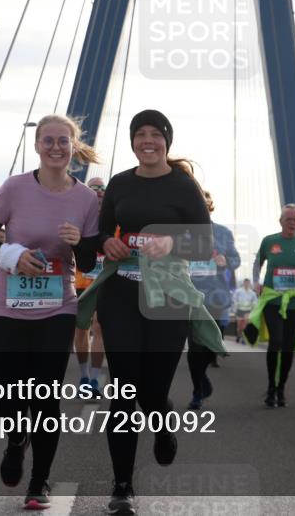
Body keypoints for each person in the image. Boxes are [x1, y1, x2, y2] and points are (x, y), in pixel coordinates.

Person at [75, 109, 219, 516]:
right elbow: (101, 233)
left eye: (156, 134)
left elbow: (205, 244)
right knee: (124, 391)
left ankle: (163, 422)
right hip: (121, 294)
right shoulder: (120, 183)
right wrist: (108, 245)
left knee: (153, 392)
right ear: (133, 141)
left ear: (166, 141)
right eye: (141, 134)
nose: (148, 140)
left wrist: (172, 243)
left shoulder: (182, 185)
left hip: (167, 297)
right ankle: (122, 487)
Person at [0, 114, 101, 509]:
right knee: (10, 395)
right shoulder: (14, 188)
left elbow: (89, 260)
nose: (56, 147)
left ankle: (40, 481)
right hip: (6, 307)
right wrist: (12, 254)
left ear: (73, 146)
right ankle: (15, 442)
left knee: (45, 397)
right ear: (37, 145)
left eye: (63, 141)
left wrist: (79, 241)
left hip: (56, 308)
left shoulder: (86, 199)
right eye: (48, 140)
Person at [245, 203, 295, 408]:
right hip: (272, 299)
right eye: (288, 219)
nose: (292, 223)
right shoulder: (270, 241)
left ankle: (281, 388)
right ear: (281, 221)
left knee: (288, 347)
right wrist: (256, 282)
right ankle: (270, 387)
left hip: (294, 301)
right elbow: (257, 263)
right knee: (275, 341)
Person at [186, 189, 240, 410]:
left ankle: (202, 377)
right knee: (195, 346)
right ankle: (198, 389)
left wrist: (224, 260)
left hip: (217, 297)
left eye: (204, 202)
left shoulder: (223, 233)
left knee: (212, 344)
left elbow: (235, 260)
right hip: (191, 296)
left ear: (209, 206)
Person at [74, 177, 107, 397]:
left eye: (101, 188)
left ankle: (94, 380)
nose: (97, 191)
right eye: (92, 188)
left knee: (99, 329)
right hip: (79, 282)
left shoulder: (114, 218)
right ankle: (84, 375)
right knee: (81, 331)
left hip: (104, 282)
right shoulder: (77, 215)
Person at [232, 278, 257, 343]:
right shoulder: (238, 291)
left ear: (249, 284)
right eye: (245, 283)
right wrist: (235, 308)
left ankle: (244, 338)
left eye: (248, 283)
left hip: (247, 310)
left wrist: (253, 308)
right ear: (243, 283)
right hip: (240, 310)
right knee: (239, 326)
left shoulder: (252, 293)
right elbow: (234, 299)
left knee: (245, 325)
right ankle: (238, 335)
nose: (246, 284)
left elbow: (255, 301)